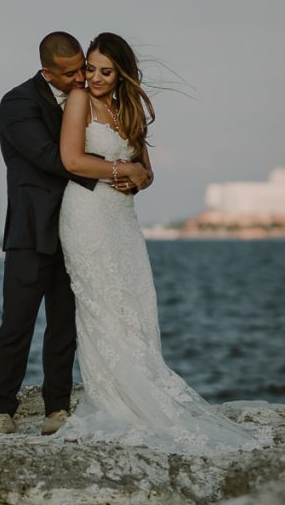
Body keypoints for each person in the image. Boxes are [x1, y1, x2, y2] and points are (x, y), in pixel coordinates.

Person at [55, 32, 265, 454]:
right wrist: (121, 168)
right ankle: (113, 400)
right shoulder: (79, 101)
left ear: (122, 74)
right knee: (101, 303)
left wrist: (139, 178)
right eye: (91, 69)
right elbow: (71, 160)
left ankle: (145, 388)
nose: (94, 78)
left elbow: (146, 171)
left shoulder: (127, 109)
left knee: (134, 301)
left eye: (105, 71)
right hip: (87, 214)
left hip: (122, 219)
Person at [0, 31, 141, 437]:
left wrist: (133, 171)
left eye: (82, 70)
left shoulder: (87, 98)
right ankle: (2, 410)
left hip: (78, 226)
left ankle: (57, 408)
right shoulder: (17, 103)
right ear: (47, 70)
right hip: (32, 229)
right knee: (17, 322)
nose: (79, 79)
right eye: (70, 74)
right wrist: (119, 167)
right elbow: (54, 159)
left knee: (64, 323)